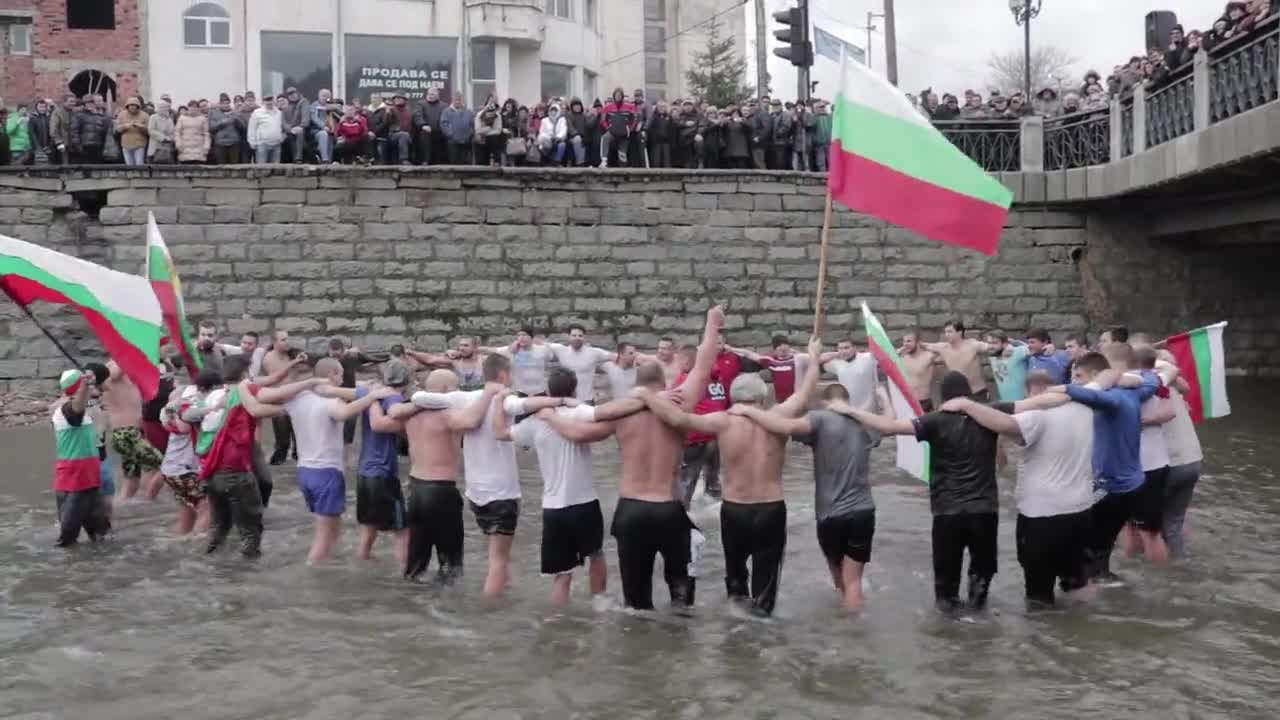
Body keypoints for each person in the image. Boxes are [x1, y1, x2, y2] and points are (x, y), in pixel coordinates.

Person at [533, 306, 724, 611]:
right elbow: (704, 363)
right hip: (668, 509)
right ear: (665, 383)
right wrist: (712, 325)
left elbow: (577, 434)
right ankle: (678, 644)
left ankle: (638, 644)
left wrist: (548, 415)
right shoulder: (680, 403)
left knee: (635, 601)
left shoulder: (620, 412)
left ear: (636, 382)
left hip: (631, 511)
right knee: (681, 594)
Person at [631, 335, 824, 616]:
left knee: (735, 576)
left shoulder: (722, 422)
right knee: (766, 581)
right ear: (762, 397)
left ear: (734, 398)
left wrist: (646, 395)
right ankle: (761, 627)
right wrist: (814, 357)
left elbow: (678, 419)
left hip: (735, 510)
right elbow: (805, 394)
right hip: (770, 508)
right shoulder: (778, 417)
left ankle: (735, 632)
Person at [395, 354, 567, 595]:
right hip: (472, 492)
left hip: (443, 492)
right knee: (471, 563)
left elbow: (417, 398)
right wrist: (561, 401)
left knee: (420, 557)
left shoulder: (434, 407)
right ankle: (482, 613)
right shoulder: (468, 408)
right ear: (504, 375)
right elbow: (504, 411)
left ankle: (413, 601)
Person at [845, 371, 1016, 612]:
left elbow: (889, 427)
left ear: (942, 396)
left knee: (946, 581)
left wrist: (853, 409)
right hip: (984, 509)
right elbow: (1005, 458)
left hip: (947, 511)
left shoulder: (933, 420)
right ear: (967, 393)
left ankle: (948, 628)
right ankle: (979, 616)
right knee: (982, 573)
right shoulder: (989, 417)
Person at [940, 371, 1099, 609]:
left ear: (1030, 393)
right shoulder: (1085, 409)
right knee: (1078, 581)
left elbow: (1004, 425)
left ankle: (1044, 642)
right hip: (1082, 509)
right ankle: (1089, 629)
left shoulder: (1036, 417)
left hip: (1042, 516)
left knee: (1038, 593)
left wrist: (965, 404)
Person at [731, 379, 884, 612]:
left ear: (825, 402)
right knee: (854, 582)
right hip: (863, 511)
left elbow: (785, 427)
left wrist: (748, 409)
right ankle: (853, 635)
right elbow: (890, 423)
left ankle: (846, 631)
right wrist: (883, 397)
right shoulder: (867, 424)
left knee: (840, 578)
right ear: (847, 400)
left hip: (829, 514)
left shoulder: (819, 419)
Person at [495, 368, 640, 604]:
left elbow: (500, 433)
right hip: (584, 503)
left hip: (553, 508)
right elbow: (612, 411)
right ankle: (599, 604)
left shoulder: (534, 422)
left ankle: (556, 627)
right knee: (596, 555)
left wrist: (499, 400)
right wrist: (647, 400)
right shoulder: (580, 412)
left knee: (561, 575)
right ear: (574, 389)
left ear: (549, 391)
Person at [273, 358, 398, 565]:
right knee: (324, 534)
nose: (343, 379)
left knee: (330, 526)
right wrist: (373, 396)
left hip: (305, 471)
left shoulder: (297, 399)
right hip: (326, 473)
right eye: (340, 374)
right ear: (332, 374)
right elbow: (346, 413)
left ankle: (329, 563)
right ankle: (313, 575)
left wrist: (366, 388)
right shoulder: (332, 403)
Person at [1059, 345, 1165, 583]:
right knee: (1103, 544)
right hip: (1132, 483)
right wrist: (1126, 377)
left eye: (1080, 375)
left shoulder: (1112, 398)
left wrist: (1058, 388)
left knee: (1083, 547)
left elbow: (1083, 394)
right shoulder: (1135, 391)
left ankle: (1089, 597)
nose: (1076, 380)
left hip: (1111, 485)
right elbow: (1153, 379)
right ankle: (1110, 582)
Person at [351, 361, 416, 563]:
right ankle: (405, 577)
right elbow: (379, 425)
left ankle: (361, 565)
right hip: (382, 473)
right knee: (403, 530)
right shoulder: (393, 398)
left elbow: (336, 391)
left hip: (364, 472)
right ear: (407, 381)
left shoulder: (368, 394)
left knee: (369, 525)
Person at [50, 369, 110, 547]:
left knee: (101, 534)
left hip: (89, 479)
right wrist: (84, 384)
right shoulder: (63, 410)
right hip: (74, 481)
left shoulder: (84, 411)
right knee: (67, 537)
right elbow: (76, 408)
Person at [161, 369, 216, 535]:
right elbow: (185, 426)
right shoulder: (191, 405)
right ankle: (196, 546)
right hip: (186, 470)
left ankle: (180, 541)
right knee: (208, 508)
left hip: (171, 469)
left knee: (186, 507)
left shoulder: (175, 405)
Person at [101, 361, 163, 501]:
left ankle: (125, 505)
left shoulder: (124, 373)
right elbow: (116, 372)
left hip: (129, 434)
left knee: (132, 477)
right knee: (166, 467)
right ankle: (149, 501)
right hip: (127, 434)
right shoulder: (111, 370)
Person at [920, 320, 994, 401]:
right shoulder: (943, 347)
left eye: (950, 332)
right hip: (958, 396)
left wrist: (1007, 346)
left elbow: (991, 347)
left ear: (959, 332)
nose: (946, 335)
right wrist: (905, 348)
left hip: (978, 393)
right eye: (945, 332)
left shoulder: (972, 345)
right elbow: (923, 345)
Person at [544, 325, 612, 403]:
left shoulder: (594, 352)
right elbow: (542, 344)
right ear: (569, 337)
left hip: (587, 400)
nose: (577, 338)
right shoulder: (561, 350)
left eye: (580, 335)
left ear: (584, 338)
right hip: (567, 401)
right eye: (574, 335)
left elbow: (615, 357)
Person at [824, 338, 878, 410]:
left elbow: (888, 356)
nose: (844, 351)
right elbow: (819, 359)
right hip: (848, 408)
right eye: (840, 348)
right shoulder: (836, 363)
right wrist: (838, 353)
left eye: (846, 348)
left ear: (854, 348)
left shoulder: (868, 358)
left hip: (869, 407)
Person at [984, 330, 1031, 402]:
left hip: (1022, 402)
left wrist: (1014, 342)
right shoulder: (992, 356)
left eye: (994, 343)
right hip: (1005, 402)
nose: (991, 346)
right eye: (989, 343)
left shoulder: (1017, 352)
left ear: (1005, 344)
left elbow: (1034, 348)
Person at [899, 331, 938, 411]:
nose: (905, 344)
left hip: (924, 402)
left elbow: (945, 352)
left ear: (918, 342)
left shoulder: (929, 357)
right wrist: (900, 350)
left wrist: (927, 346)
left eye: (909, 341)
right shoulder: (903, 358)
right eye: (904, 341)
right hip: (908, 403)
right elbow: (884, 360)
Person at [600, 87, 637, 168]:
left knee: (622, 153)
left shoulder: (629, 106)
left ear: (622, 96)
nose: (618, 97)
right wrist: (608, 128)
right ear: (614, 96)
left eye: (620, 95)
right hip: (612, 132)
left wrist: (630, 129)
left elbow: (634, 118)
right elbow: (603, 120)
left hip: (624, 133)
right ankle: (604, 161)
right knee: (605, 138)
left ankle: (623, 167)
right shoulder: (608, 107)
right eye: (616, 95)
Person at [69, 94, 110, 163]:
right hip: (84, 146)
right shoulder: (78, 115)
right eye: (88, 103)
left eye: (92, 103)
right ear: (84, 104)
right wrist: (78, 146)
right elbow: (74, 132)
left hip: (97, 146)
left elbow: (103, 131)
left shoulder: (100, 115)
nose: (90, 105)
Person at [248, 96, 286, 164]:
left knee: (276, 169)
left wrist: (282, 137)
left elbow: (283, 127)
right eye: (267, 100)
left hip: (276, 145)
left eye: (270, 100)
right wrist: (252, 142)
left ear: (273, 101)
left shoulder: (279, 113)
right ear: (263, 102)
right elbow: (251, 128)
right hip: (262, 145)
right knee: (261, 169)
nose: (269, 102)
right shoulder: (257, 113)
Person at [414, 87, 446, 165]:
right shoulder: (421, 104)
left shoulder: (444, 106)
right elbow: (418, 115)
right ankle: (425, 161)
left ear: (437, 96)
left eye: (432, 94)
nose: (430, 96)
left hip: (440, 131)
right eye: (428, 94)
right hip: (426, 130)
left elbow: (446, 119)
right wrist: (423, 125)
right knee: (425, 133)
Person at [441, 92, 475, 165]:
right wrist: (451, 135)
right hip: (452, 143)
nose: (457, 101)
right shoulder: (446, 111)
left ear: (462, 100)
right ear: (452, 100)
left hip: (466, 143)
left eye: (459, 100)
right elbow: (444, 125)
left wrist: (469, 135)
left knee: (466, 164)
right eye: (456, 100)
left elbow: (472, 125)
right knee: (454, 163)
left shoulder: (469, 112)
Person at [147, 99, 176, 163]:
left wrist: (170, 138)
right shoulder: (153, 117)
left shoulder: (169, 120)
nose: (164, 109)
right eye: (161, 107)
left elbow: (172, 132)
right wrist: (163, 137)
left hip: (166, 149)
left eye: (165, 107)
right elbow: (151, 130)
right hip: (154, 147)